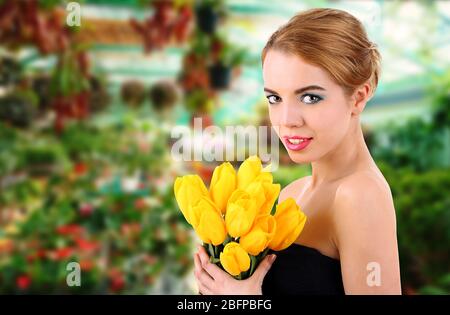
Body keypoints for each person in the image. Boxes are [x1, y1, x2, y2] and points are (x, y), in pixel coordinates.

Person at [193, 8, 401, 295]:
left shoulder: (360, 195)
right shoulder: (292, 194)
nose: (287, 119)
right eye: (275, 98)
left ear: (359, 96)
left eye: (310, 97)